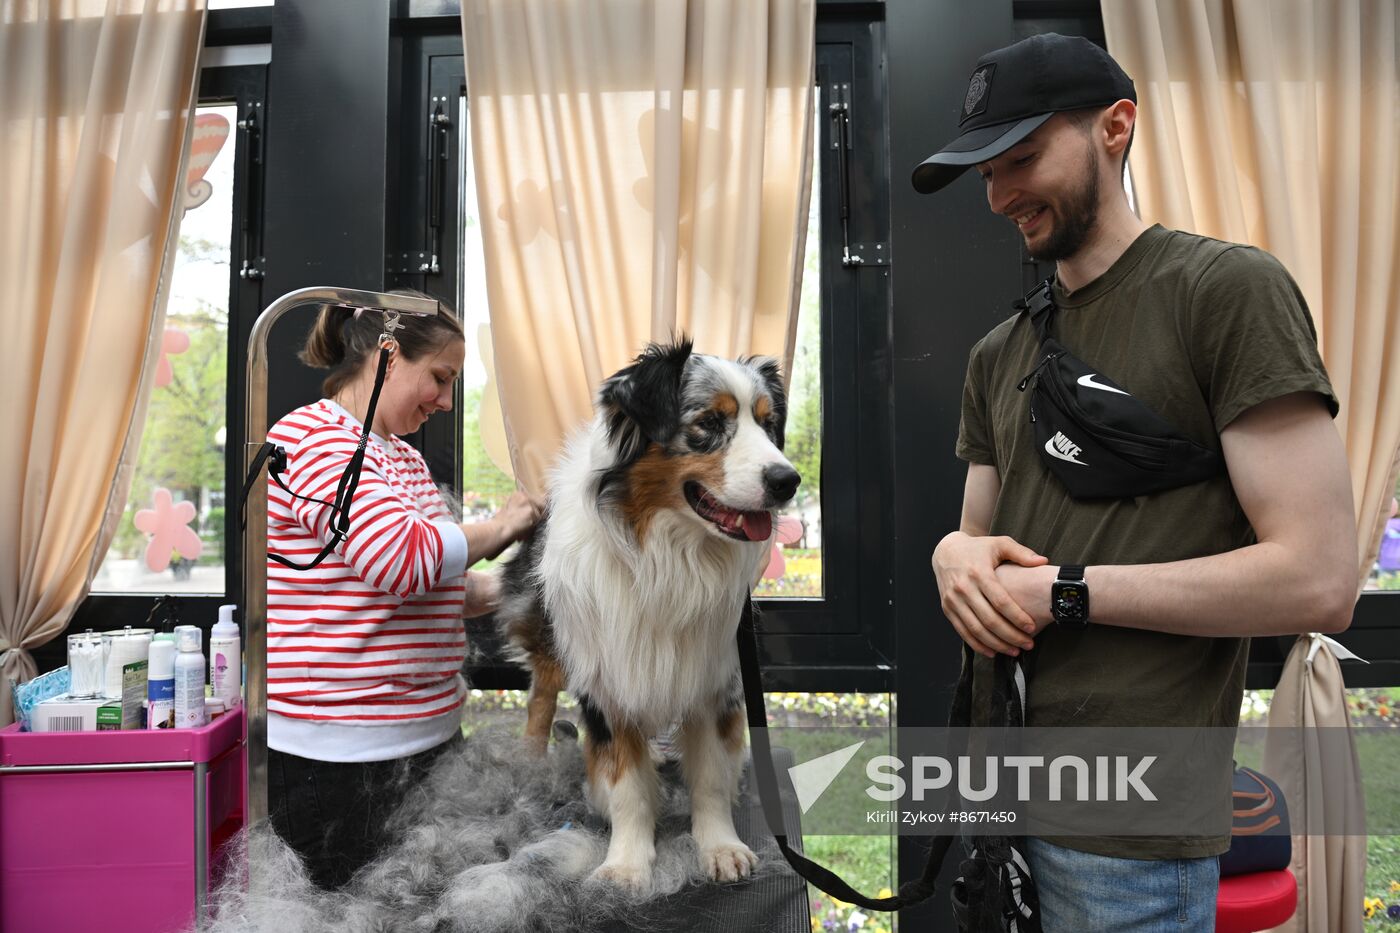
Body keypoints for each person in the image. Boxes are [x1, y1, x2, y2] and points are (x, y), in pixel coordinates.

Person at [916, 33, 1357, 930]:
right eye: (986, 174)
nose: (999, 196)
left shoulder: (1225, 291)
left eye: (1022, 159)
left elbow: (1319, 579)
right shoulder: (998, 353)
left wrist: (1066, 593)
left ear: (1115, 128)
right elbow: (982, 546)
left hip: (1131, 838)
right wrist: (950, 554)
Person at [264, 292, 542, 888]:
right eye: (440, 378)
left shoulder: (404, 462)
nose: (446, 401)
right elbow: (402, 558)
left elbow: (445, 588)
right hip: (341, 760)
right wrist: (503, 527)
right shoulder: (313, 438)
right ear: (387, 356)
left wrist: (539, 585)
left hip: (427, 740)